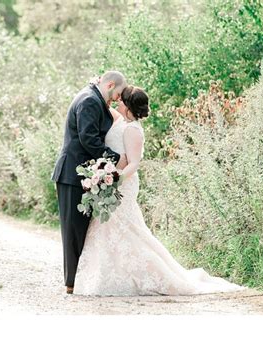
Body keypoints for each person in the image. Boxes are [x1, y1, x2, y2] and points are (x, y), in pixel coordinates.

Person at [73, 86, 246, 296]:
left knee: (125, 228)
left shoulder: (132, 130)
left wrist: (114, 179)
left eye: (121, 100)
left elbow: (134, 163)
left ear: (127, 106)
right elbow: (104, 104)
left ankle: (141, 275)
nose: (117, 102)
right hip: (113, 181)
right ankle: (104, 274)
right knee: (111, 227)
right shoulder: (123, 122)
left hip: (123, 184)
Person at [51, 71, 128, 294]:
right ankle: (71, 283)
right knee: (73, 231)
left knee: (82, 229)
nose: (118, 99)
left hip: (81, 174)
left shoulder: (94, 97)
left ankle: (79, 280)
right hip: (71, 174)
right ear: (110, 84)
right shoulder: (89, 100)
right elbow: (89, 139)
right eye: (118, 93)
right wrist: (116, 158)